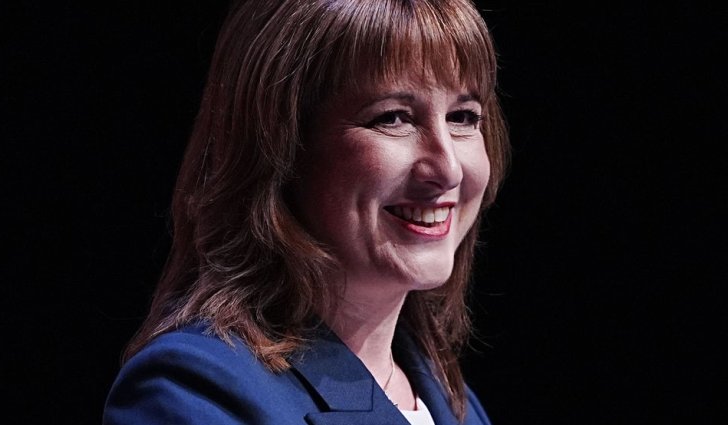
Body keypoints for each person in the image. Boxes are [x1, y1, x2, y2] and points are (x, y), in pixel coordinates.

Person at [103, 0, 509, 423]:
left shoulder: (454, 403)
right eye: (392, 118)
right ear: (281, 148)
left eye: (463, 117)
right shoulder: (198, 390)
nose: (447, 169)